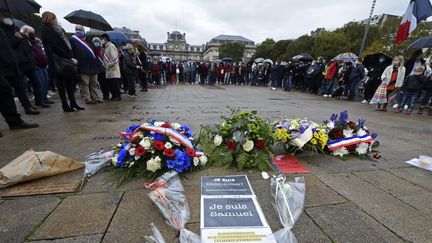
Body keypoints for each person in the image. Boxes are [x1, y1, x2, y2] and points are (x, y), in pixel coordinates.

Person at [0, 12, 39, 135]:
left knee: (6, 92)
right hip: (3, 65)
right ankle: (14, 120)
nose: (3, 16)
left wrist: (14, 32)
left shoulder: (4, 29)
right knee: (5, 90)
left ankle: (14, 121)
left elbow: (10, 46)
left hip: (9, 65)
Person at [41, 11, 84, 112]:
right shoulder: (47, 30)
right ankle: (65, 105)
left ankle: (73, 103)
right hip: (59, 62)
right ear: (50, 19)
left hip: (62, 61)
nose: (56, 20)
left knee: (69, 83)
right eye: (54, 18)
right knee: (61, 85)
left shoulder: (53, 30)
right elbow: (56, 47)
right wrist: (70, 57)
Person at [70, 25, 101, 104]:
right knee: (85, 83)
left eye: (80, 29)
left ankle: (95, 97)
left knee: (94, 83)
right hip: (83, 65)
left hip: (93, 65)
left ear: (83, 30)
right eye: (76, 29)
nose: (78, 30)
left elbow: (94, 52)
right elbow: (72, 52)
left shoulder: (88, 40)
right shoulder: (73, 39)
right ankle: (88, 99)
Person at [26, 26, 54, 106]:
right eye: (30, 33)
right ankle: (40, 100)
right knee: (40, 83)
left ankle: (45, 99)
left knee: (45, 82)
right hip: (36, 66)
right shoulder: (26, 42)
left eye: (33, 33)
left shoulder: (36, 41)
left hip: (43, 65)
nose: (32, 34)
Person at [100, 33, 121, 101]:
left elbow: (114, 57)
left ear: (105, 39)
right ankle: (114, 95)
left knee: (114, 83)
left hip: (112, 68)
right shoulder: (106, 47)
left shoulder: (111, 46)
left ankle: (117, 96)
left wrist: (108, 65)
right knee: (110, 83)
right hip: (109, 69)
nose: (101, 40)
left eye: (102, 39)